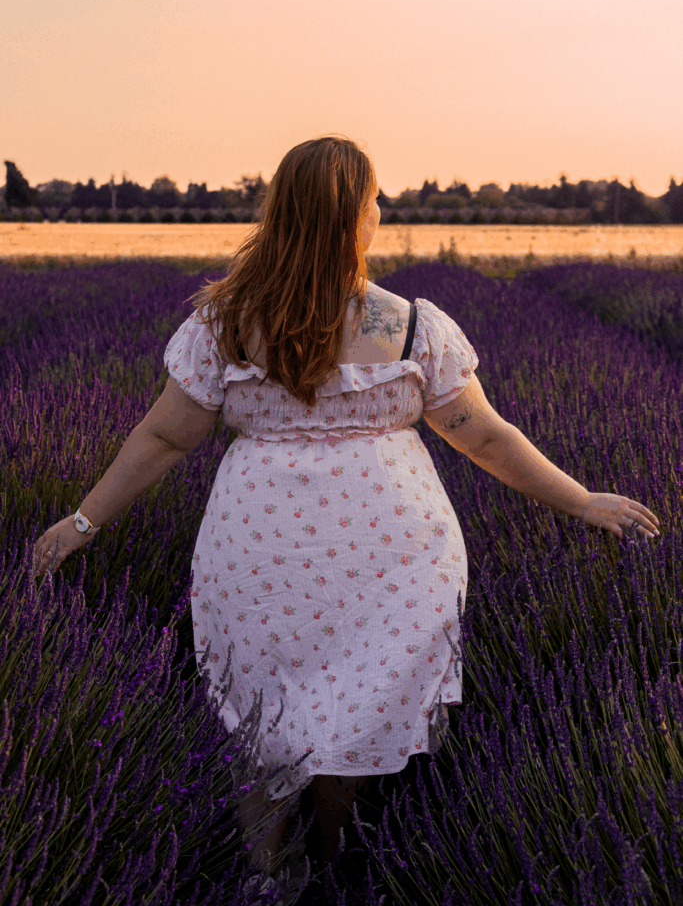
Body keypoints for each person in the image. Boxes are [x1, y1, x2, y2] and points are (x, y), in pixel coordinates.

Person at [32, 134, 660, 881]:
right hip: (393, 559)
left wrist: (81, 523)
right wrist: (581, 502)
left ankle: (267, 872)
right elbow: (485, 439)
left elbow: (166, 437)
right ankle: (334, 858)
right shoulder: (411, 326)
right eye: (373, 198)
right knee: (357, 715)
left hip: (259, 551)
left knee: (256, 714)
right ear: (352, 217)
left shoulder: (223, 325)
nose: (380, 210)